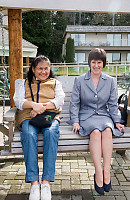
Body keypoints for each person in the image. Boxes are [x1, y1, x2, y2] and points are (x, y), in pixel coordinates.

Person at [68, 48, 125, 195]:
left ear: (103, 64)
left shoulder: (110, 81)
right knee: (95, 132)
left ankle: (107, 171)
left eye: (99, 62)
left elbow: (113, 104)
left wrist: (117, 121)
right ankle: (98, 173)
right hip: (86, 116)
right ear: (89, 63)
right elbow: (74, 103)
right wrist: (75, 121)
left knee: (107, 130)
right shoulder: (80, 80)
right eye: (93, 62)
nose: (96, 65)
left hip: (103, 115)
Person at [13, 55, 65, 200]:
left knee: (51, 132)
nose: (43, 71)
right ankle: (34, 183)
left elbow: (59, 100)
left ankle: (46, 182)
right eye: (40, 68)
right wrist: (33, 106)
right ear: (33, 69)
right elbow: (17, 100)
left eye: (46, 68)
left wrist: (41, 108)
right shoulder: (23, 83)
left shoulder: (55, 83)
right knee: (28, 134)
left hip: (50, 116)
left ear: (49, 69)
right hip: (28, 116)